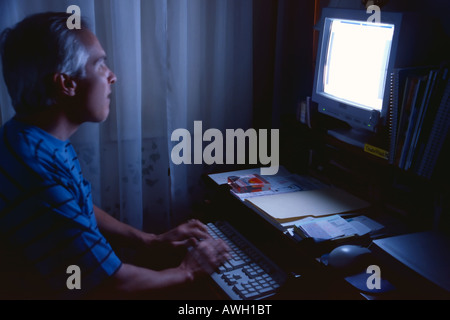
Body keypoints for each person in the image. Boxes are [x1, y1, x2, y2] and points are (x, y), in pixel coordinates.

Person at [0, 12, 230, 300]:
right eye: (99, 65)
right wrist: (189, 270)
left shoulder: (30, 138)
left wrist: (151, 240)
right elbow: (110, 284)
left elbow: (75, 210)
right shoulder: (36, 170)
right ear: (66, 84)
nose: (113, 76)